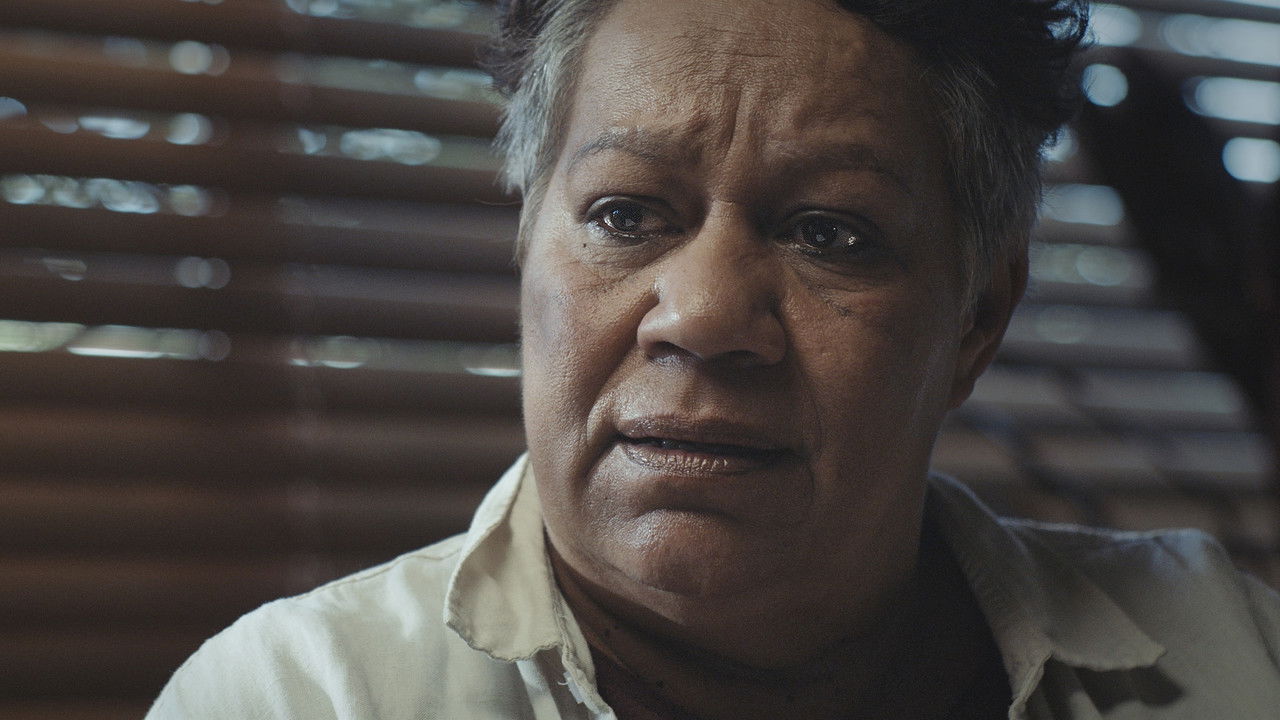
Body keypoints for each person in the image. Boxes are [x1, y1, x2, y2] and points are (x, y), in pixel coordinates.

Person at [147, 0, 1280, 718]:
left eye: (830, 233)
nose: (702, 317)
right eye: (625, 214)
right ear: (527, 252)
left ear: (976, 319)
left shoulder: (1239, 661)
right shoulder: (298, 699)